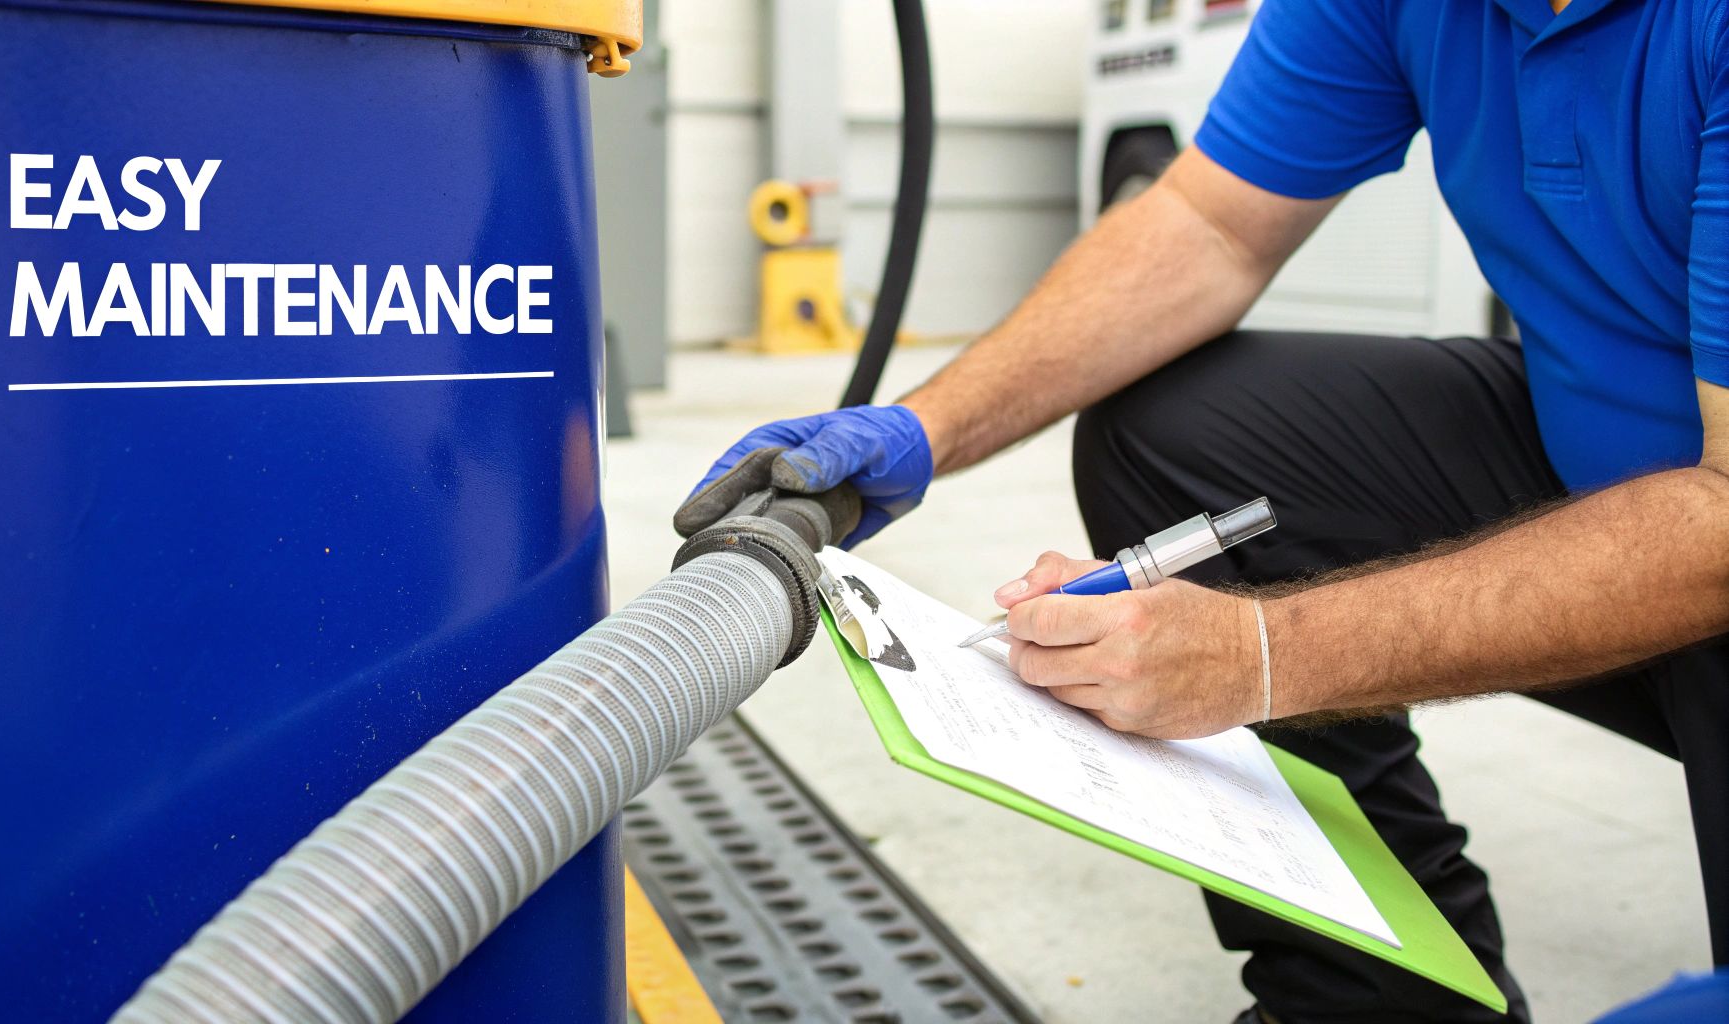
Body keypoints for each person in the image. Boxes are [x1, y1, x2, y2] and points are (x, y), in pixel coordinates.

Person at [682, 0, 1729, 1019]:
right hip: (1605, 458)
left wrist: (1259, 651)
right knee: (1190, 432)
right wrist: (921, 429)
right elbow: (1208, 224)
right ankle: (1375, 1001)